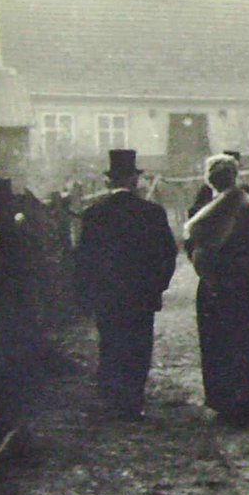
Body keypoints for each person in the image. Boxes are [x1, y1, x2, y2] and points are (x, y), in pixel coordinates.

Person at [75, 150, 178, 420]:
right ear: (134, 181)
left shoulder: (94, 214)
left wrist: (88, 293)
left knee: (110, 343)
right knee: (138, 346)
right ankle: (132, 401)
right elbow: (167, 254)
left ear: (109, 182)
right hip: (140, 295)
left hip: (107, 294)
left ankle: (111, 398)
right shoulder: (151, 213)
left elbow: (83, 259)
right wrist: (157, 286)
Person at [183, 153, 249, 425]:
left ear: (208, 179)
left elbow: (191, 248)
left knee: (217, 341)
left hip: (213, 284)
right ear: (236, 177)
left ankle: (222, 401)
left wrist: (210, 266)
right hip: (246, 284)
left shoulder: (199, 212)